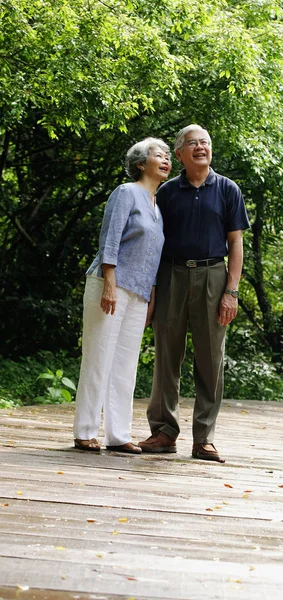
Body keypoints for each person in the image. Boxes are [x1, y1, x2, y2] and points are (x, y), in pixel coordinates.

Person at [138, 125, 250, 463]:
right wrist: (151, 290)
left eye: (205, 142)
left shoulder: (228, 189)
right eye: (193, 143)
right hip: (170, 274)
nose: (201, 147)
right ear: (179, 154)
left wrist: (231, 291)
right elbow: (153, 243)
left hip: (214, 277)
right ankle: (163, 431)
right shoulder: (167, 192)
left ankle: (204, 438)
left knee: (211, 359)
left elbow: (236, 243)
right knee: (166, 356)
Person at [73, 138, 171, 453]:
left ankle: (119, 435)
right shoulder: (126, 193)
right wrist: (110, 281)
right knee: (98, 359)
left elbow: (153, 256)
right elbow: (110, 237)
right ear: (141, 163)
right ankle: (85, 431)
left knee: (125, 365)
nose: (166, 159)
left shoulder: (157, 207)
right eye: (159, 155)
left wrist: (152, 296)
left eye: (169, 155)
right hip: (109, 285)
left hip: (140, 294)